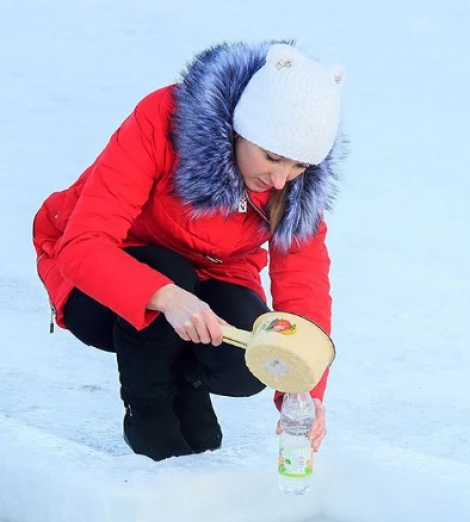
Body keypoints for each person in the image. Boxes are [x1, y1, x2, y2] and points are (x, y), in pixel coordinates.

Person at [32, 41, 346, 462]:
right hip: (96, 281)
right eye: (272, 158)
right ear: (239, 128)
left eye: (299, 167)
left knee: (252, 358)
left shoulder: (293, 182)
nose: (280, 180)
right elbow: (82, 247)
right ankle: (147, 413)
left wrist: (305, 389)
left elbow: (303, 281)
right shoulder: (165, 119)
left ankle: (179, 382)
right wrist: (165, 296)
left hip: (212, 276)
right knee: (168, 272)